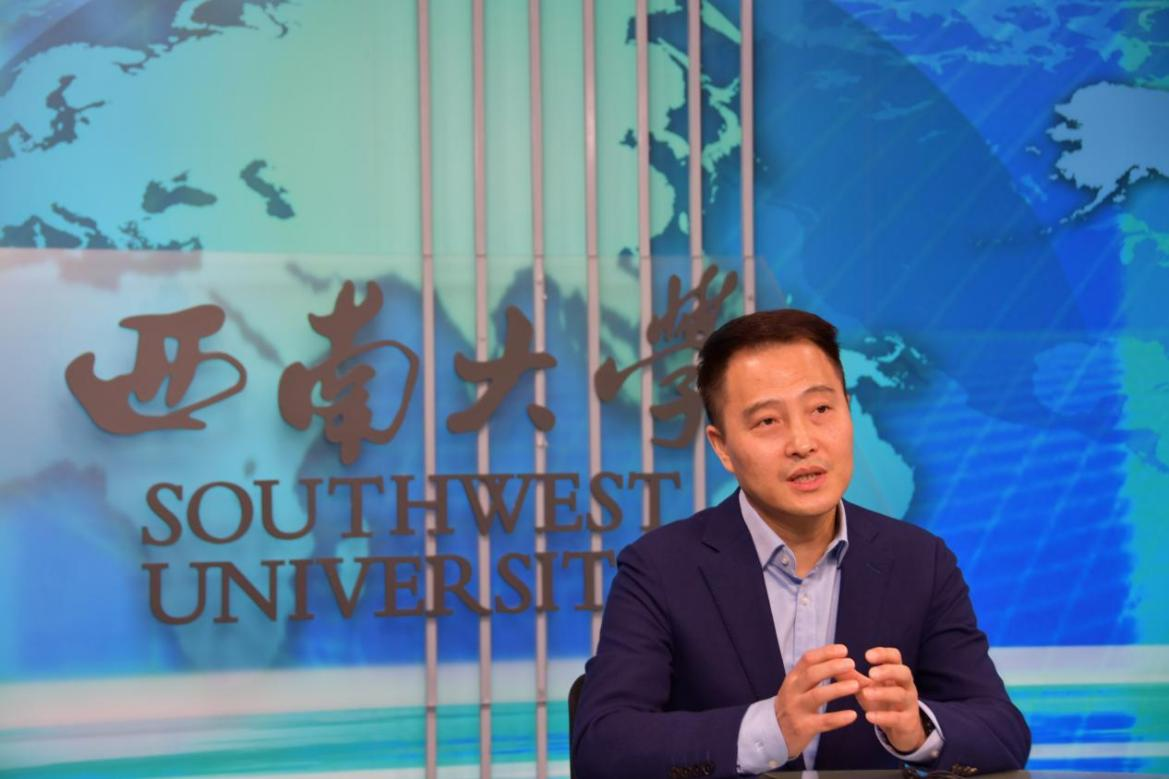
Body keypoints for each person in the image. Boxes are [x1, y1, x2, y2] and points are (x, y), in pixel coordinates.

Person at [571, 309, 1030, 778]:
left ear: (848, 411)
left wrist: (916, 729)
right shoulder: (660, 569)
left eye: (821, 410)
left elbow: (1003, 731)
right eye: (768, 421)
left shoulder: (920, 561)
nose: (802, 442)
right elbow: (603, 744)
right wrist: (768, 729)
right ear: (722, 446)